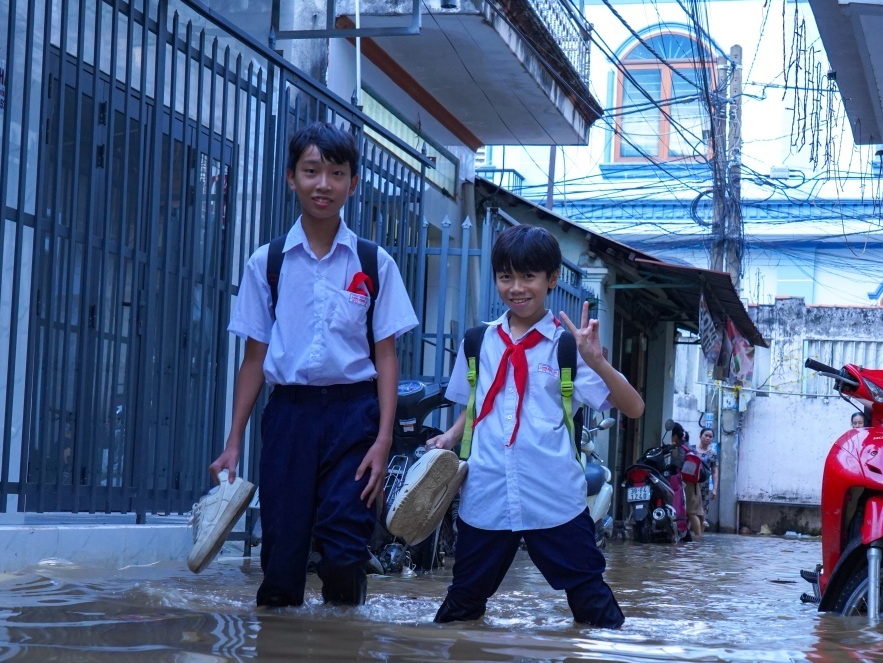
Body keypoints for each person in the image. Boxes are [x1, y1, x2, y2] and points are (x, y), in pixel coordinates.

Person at [210, 121, 418, 608]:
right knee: (282, 557)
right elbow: (254, 358)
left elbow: (386, 357)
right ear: (291, 178)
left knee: (346, 553)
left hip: (355, 419)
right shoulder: (268, 263)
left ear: (353, 183)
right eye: (311, 171)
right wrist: (234, 441)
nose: (323, 184)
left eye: (336, 173)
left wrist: (384, 439)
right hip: (289, 418)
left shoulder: (374, 263)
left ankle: (343, 662)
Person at [426, 224, 645, 628]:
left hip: (553, 495)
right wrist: (451, 435)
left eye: (528, 276)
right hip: (487, 492)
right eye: (506, 276)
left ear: (552, 279)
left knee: (593, 606)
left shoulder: (568, 346)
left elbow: (633, 407)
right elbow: (476, 404)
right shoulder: (478, 342)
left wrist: (597, 362)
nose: (516, 287)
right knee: (461, 608)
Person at [698, 426, 718, 525]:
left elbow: (714, 472)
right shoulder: (692, 450)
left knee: (703, 511)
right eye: (706, 435)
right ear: (700, 436)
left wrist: (714, 489)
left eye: (710, 437)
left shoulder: (712, 454)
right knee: (689, 509)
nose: (708, 438)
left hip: (704, 486)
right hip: (690, 485)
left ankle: (699, 537)